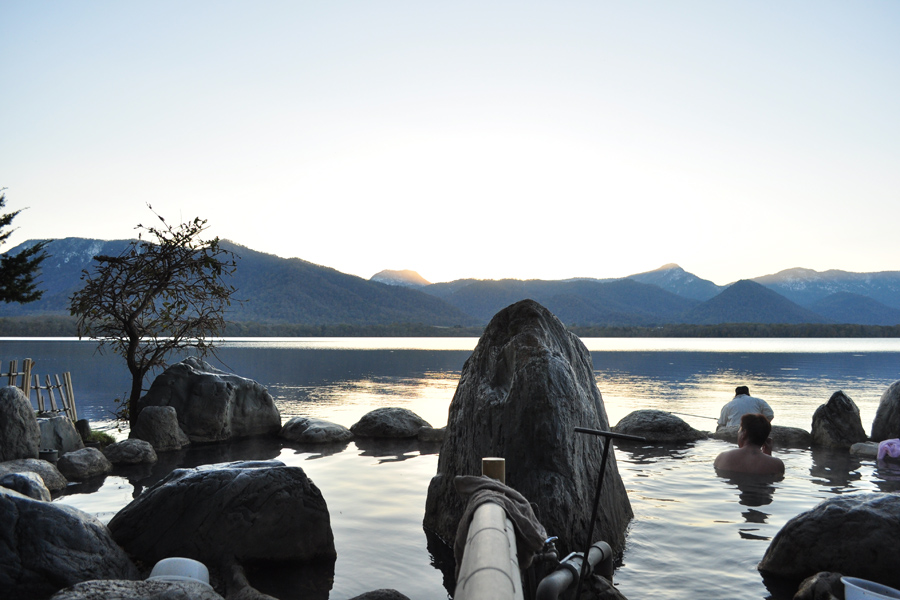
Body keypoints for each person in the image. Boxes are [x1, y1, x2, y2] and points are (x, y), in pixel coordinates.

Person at [714, 413, 785, 475]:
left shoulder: (722, 458)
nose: (738, 433)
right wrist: (768, 454)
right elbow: (769, 488)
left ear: (744, 433)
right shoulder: (777, 464)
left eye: (740, 430)